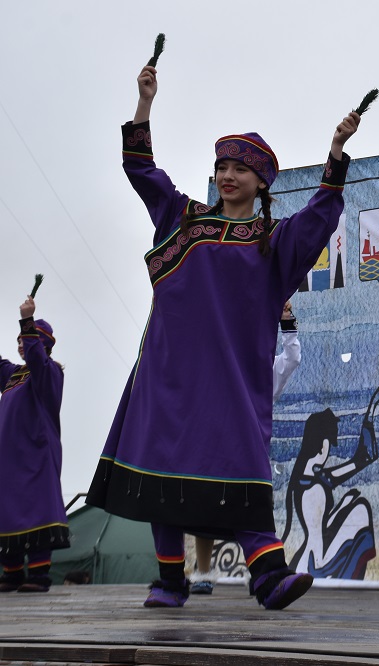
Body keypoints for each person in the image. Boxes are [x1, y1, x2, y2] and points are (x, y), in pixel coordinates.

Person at [86, 61, 360, 610]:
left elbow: (320, 218)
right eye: (222, 165)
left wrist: (335, 154)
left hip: (230, 381)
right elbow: (141, 168)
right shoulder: (181, 220)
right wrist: (145, 104)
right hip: (167, 373)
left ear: (262, 182)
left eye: (240, 168)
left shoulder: (272, 242)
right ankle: (169, 580)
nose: (228, 174)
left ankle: (268, 576)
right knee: (162, 469)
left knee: (238, 463)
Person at [190, 300, 302, 595]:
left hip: (250, 452)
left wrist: (287, 322)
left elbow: (292, 359)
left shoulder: (268, 372)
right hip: (215, 443)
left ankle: (262, 574)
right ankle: (202, 572)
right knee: (206, 505)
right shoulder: (226, 363)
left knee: (252, 510)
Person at [0, 295, 68, 593]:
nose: (20, 343)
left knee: (38, 507)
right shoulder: (13, 375)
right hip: (9, 457)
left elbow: (36, 358)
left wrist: (27, 318)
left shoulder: (48, 372)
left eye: (26, 338)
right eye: (18, 339)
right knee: (8, 507)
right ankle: (12, 572)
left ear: (41, 344)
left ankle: (39, 574)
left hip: (36, 453)